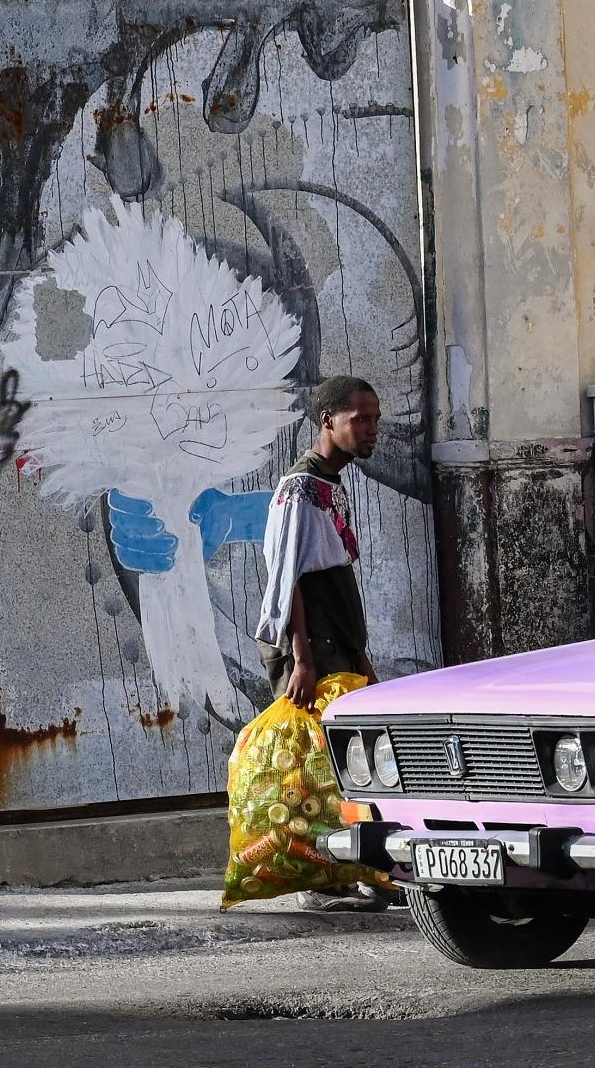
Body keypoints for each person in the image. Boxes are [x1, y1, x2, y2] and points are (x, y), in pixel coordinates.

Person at [253, 375, 388, 912]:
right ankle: (321, 877)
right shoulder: (300, 488)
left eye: (376, 418)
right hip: (311, 648)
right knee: (313, 766)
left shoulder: (330, 484)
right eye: (361, 419)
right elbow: (290, 580)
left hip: (338, 643)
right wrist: (303, 660)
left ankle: (353, 870)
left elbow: (328, 576)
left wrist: (359, 653)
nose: (371, 429)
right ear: (328, 421)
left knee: (343, 761)